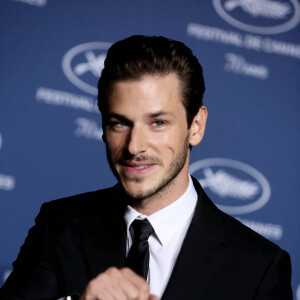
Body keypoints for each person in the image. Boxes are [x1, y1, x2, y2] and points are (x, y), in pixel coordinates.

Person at [0, 35, 292, 300]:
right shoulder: (58, 227)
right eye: (120, 123)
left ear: (196, 127)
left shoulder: (259, 266)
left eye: (158, 123)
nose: (134, 146)